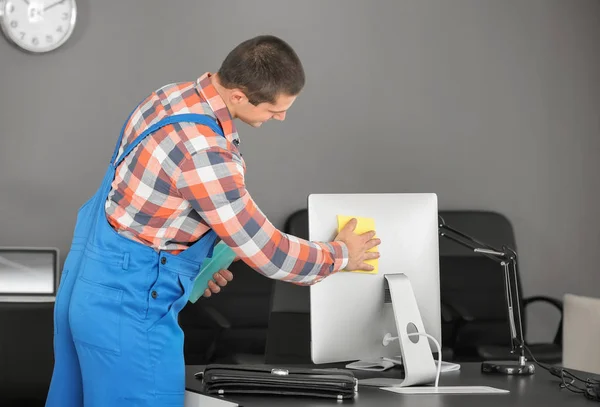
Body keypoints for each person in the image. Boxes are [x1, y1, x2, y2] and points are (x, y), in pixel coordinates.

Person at [45, 35, 381, 407]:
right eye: (274, 109)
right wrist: (340, 254)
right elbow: (268, 252)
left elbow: (151, 207)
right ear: (239, 94)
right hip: (129, 312)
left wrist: (192, 266)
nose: (281, 117)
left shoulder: (170, 96)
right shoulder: (204, 149)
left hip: (87, 289)